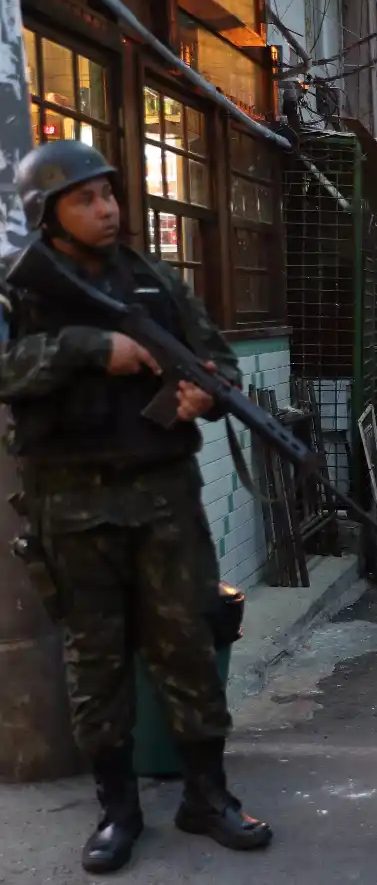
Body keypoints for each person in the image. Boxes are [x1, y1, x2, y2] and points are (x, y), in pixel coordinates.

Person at [0, 141, 272, 873]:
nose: (106, 209)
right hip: (71, 505)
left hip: (162, 499)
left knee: (187, 644)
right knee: (96, 662)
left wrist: (205, 393)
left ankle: (205, 796)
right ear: (47, 215)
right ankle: (117, 811)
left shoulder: (153, 282)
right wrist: (90, 349)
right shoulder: (18, 290)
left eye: (109, 194)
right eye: (85, 199)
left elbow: (217, 358)